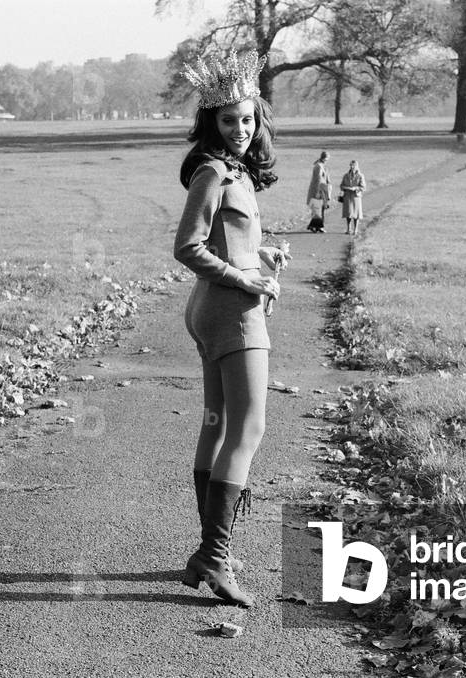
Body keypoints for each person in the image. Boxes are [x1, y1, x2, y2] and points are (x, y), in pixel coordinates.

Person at [173, 51, 289, 607]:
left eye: (247, 119)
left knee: (218, 426)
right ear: (210, 123)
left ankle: (209, 550)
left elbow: (226, 240)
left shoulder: (236, 170)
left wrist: (259, 254)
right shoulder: (213, 170)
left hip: (215, 308)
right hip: (230, 313)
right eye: (227, 121)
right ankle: (214, 557)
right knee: (249, 428)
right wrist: (248, 282)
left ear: (257, 117)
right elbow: (187, 246)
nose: (240, 130)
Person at [305, 151, 331, 233]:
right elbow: (318, 179)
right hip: (318, 190)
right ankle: (316, 226)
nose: (327, 160)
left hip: (322, 189)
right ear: (324, 158)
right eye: (327, 159)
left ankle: (317, 226)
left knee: (320, 209)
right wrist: (317, 192)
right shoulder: (319, 166)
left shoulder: (322, 166)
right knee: (318, 209)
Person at [340, 159, 366, 235]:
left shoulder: (360, 175)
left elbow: (363, 187)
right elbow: (341, 185)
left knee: (356, 214)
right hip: (347, 195)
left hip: (356, 196)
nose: (351, 167)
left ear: (357, 166)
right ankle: (348, 229)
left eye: (353, 165)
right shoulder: (346, 175)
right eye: (350, 165)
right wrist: (345, 188)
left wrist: (355, 188)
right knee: (348, 213)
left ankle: (356, 230)